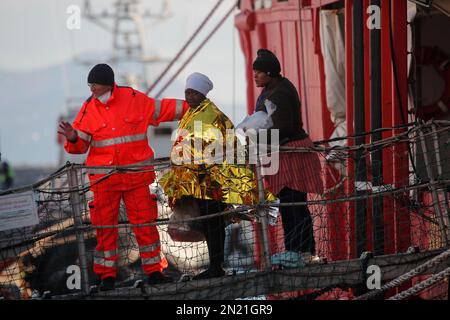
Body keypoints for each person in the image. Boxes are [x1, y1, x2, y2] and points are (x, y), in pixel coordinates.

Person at [58, 63, 190, 291]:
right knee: (104, 230)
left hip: (135, 179)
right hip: (104, 182)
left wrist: (193, 106)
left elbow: (163, 109)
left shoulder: (134, 99)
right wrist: (72, 138)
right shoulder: (88, 108)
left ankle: (155, 272)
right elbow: (80, 146)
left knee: (145, 226)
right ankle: (106, 277)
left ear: (107, 84)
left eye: (95, 85)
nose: (91, 89)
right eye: (89, 85)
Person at [160, 72, 273, 279]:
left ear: (203, 94)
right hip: (199, 181)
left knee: (213, 223)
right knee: (210, 223)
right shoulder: (193, 113)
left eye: (194, 93)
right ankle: (215, 265)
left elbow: (205, 147)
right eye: (188, 92)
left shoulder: (209, 114)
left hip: (213, 181)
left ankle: (216, 267)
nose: (190, 96)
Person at [247, 49, 324, 262]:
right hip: (283, 152)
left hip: (292, 152)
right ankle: (299, 250)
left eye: (259, 72)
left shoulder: (279, 93)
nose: (255, 75)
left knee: (293, 203)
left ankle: (301, 252)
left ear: (270, 73)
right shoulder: (272, 88)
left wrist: (255, 139)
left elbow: (283, 127)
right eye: (255, 71)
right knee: (290, 203)